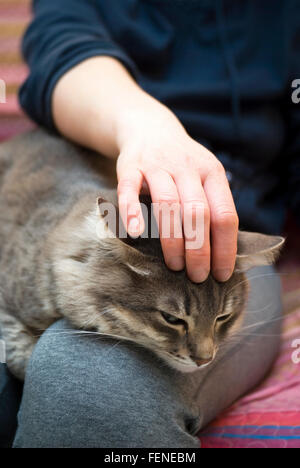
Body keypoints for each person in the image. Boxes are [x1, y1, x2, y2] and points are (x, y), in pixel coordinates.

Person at [9, 0, 300, 447]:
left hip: (229, 248)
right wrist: (146, 129)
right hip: (115, 213)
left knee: (89, 385)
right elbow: (61, 46)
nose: (205, 356)